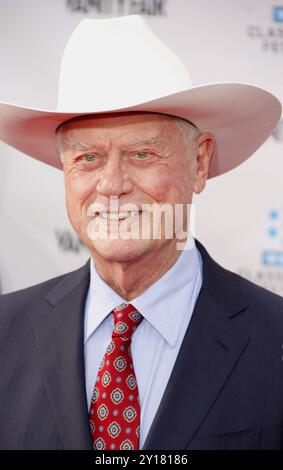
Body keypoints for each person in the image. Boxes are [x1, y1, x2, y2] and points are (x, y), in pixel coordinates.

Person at [0, 15, 283, 451]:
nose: (112, 185)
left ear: (200, 163)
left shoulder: (274, 338)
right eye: (88, 158)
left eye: (142, 153)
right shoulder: (5, 330)